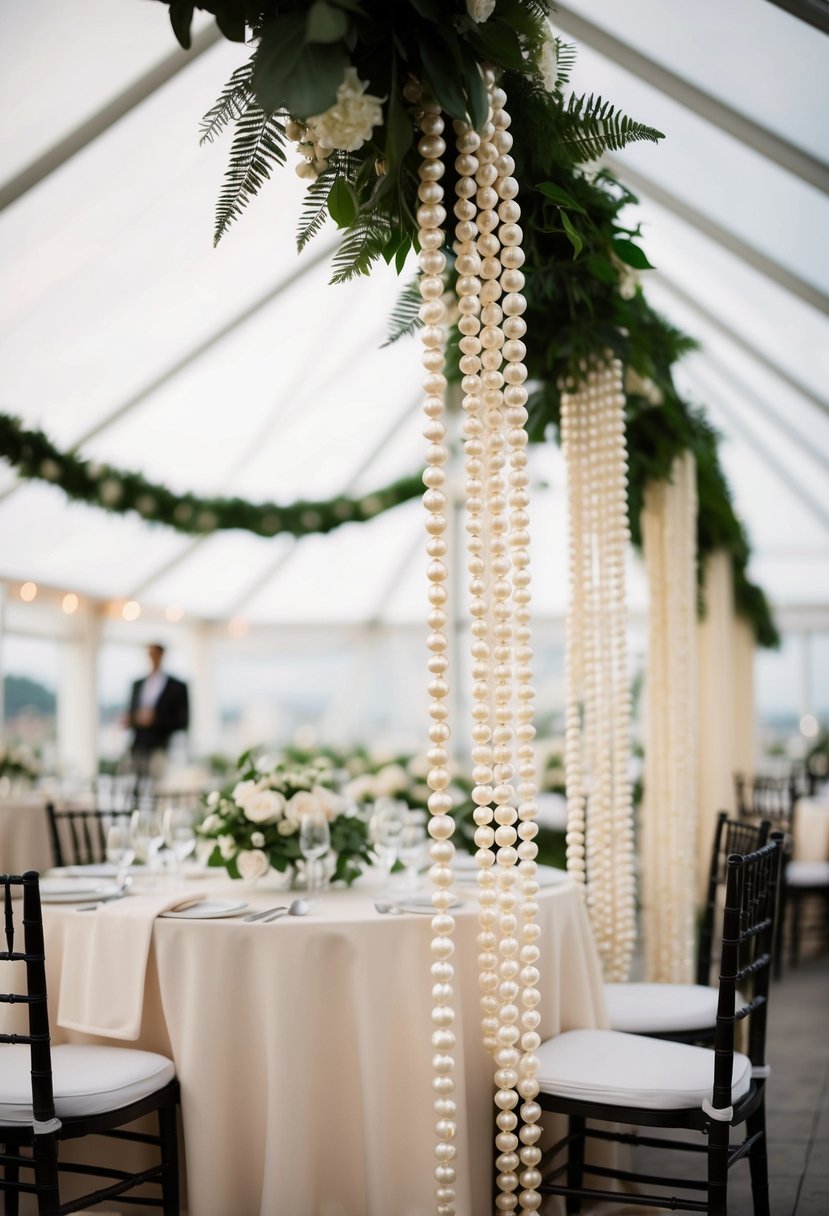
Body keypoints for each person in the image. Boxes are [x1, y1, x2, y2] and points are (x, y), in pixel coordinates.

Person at [126, 643, 189, 778]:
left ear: (162, 656)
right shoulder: (138, 684)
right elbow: (132, 712)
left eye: (155, 654)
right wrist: (132, 719)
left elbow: (183, 720)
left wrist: (156, 719)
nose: (152, 658)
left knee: (160, 785)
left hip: (164, 746)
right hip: (138, 746)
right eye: (149, 654)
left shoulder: (177, 686)